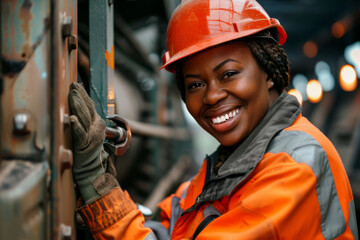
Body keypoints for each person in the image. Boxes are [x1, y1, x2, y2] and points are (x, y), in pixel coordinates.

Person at [68, 0, 359, 239]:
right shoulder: (228, 165)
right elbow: (172, 225)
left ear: (269, 73)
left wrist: (99, 191)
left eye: (229, 74)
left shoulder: (295, 166)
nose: (211, 96)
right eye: (195, 84)